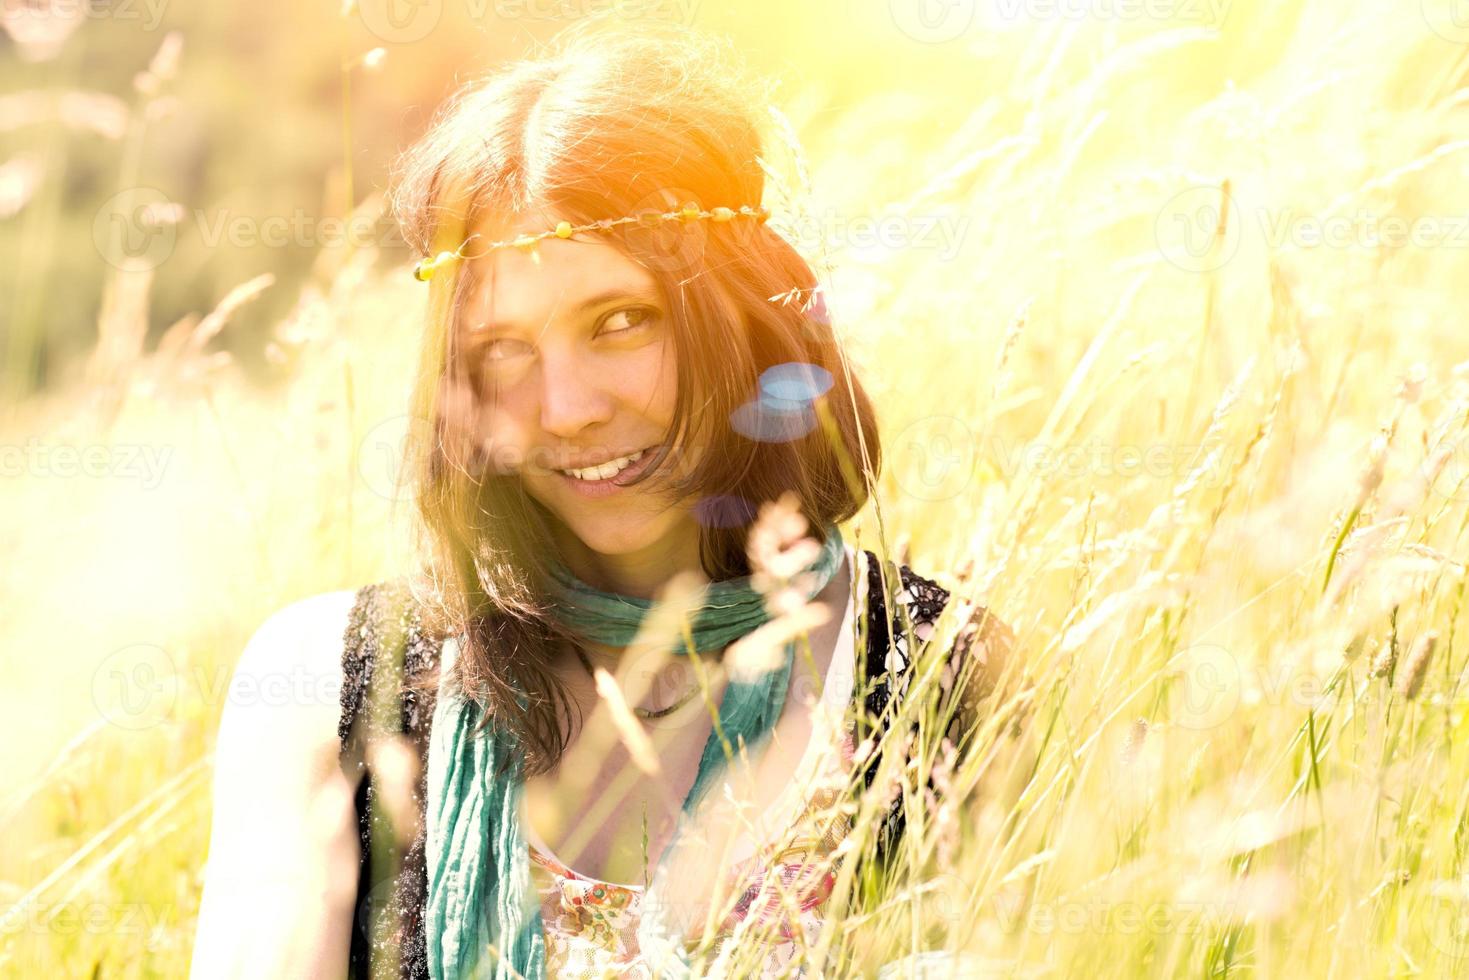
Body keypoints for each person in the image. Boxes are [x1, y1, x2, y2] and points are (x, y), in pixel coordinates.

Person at [189, 19, 1016, 980]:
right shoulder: (332, 684)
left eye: (621, 322)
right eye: (504, 348)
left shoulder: (942, 676)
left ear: (738, 313)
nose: (568, 410)